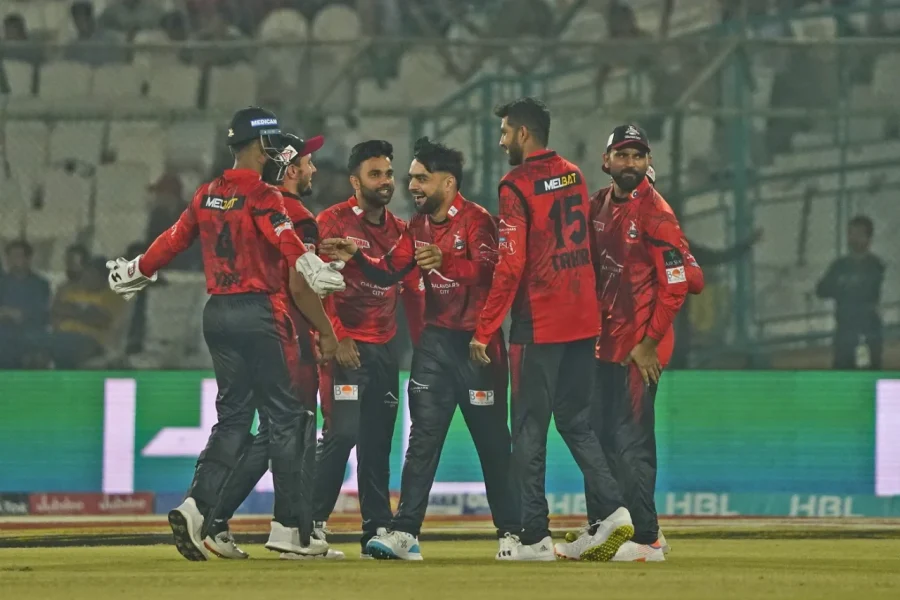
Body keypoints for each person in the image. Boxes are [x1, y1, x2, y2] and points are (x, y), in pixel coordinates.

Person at [105, 107, 346, 562]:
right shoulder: (262, 194)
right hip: (259, 312)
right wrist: (310, 264)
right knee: (287, 418)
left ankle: (196, 506)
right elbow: (282, 236)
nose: (275, 148)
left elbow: (173, 240)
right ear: (260, 147)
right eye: (271, 141)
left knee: (234, 419)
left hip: (215, 312)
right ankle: (291, 531)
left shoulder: (207, 193)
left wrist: (138, 269)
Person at [320, 137, 519, 561]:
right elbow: (392, 271)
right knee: (422, 439)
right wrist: (356, 256)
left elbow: (493, 272)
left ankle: (512, 533)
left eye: (420, 179)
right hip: (435, 344)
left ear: (448, 182)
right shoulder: (417, 227)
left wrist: (447, 263)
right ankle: (405, 532)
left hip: (477, 346)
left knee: (492, 442)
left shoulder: (479, 221)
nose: (410, 187)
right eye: (410, 178)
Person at [469, 97, 632, 562]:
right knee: (576, 422)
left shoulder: (514, 185)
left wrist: (484, 329)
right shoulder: (575, 174)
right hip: (584, 319)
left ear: (523, 133)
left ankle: (534, 537)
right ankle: (614, 512)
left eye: (504, 132)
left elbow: (510, 264)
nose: (501, 141)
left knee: (528, 429)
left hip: (540, 322)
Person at [199, 132, 336, 560]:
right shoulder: (297, 215)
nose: (314, 169)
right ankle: (286, 528)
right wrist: (329, 331)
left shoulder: (247, 206)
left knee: (272, 428)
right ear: (291, 169)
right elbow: (299, 282)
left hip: (246, 321)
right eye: (308, 163)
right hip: (285, 332)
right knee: (291, 425)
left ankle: (220, 520)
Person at [585, 124, 698, 562]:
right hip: (603, 342)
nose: (630, 162)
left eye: (638, 156)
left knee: (631, 440)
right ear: (606, 160)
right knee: (598, 437)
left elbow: (677, 285)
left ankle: (647, 537)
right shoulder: (597, 205)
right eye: (623, 155)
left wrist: (649, 344)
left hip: (639, 347)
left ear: (648, 163)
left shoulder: (657, 215)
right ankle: (606, 528)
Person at [311, 140, 425, 559]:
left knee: (377, 443)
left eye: (388, 174)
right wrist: (337, 336)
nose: (385, 182)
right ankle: (312, 526)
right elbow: (316, 287)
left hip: (384, 349)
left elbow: (406, 282)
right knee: (341, 435)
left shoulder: (400, 230)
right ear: (354, 181)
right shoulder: (330, 222)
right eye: (375, 174)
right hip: (345, 347)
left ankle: (376, 527)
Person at [816, 215, 885, 370]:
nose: (854, 238)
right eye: (851, 233)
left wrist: (843, 286)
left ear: (868, 238)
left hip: (868, 329)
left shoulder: (874, 265)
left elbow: (867, 290)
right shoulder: (839, 265)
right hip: (845, 329)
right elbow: (822, 290)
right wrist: (842, 286)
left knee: (868, 372)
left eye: (859, 234)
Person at [0, 240, 51, 369]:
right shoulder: (2, 283)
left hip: (30, 332)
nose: (13, 261)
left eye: (17, 256)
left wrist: (17, 314)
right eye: (10, 257)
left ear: (28, 259)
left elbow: (40, 312)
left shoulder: (40, 284)